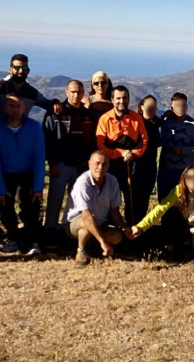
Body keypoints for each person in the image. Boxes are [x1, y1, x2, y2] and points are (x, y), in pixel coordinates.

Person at [0, 93, 45, 254]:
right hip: (6, 174)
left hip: (28, 173)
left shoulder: (34, 127)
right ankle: (14, 239)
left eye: (18, 106)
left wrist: (38, 186)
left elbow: (39, 157)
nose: (15, 109)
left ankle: (32, 242)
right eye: (11, 106)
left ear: (24, 108)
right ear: (5, 108)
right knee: (6, 209)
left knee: (31, 208)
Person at [42, 80, 97, 244]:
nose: (75, 95)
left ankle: (69, 233)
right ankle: (49, 232)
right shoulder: (55, 113)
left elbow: (91, 141)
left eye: (79, 92)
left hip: (80, 166)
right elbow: (48, 139)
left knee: (76, 202)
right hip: (60, 164)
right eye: (72, 91)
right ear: (66, 92)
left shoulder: (87, 115)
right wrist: (52, 163)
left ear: (83, 93)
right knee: (54, 199)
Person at [130, 165, 194, 258]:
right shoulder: (177, 191)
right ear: (184, 178)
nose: (193, 180)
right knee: (169, 212)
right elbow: (160, 209)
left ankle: (185, 244)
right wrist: (140, 226)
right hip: (181, 223)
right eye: (189, 177)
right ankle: (173, 243)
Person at [62, 150, 131, 265]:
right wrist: (103, 242)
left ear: (108, 166)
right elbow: (86, 214)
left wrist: (125, 228)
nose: (100, 167)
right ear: (89, 164)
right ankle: (81, 250)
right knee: (87, 224)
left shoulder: (112, 181)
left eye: (104, 164)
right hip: (75, 223)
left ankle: (94, 246)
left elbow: (114, 211)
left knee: (117, 236)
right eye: (97, 163)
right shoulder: (82, 182)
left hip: (100, 223)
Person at [96, 85, 148, 224]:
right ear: (112, 100)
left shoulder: (136, 118)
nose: (121, 101)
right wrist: (120, 153)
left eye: (124, 98)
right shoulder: (104, 119)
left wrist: (132, 154)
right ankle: (112, 229)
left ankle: (132, 229)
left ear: (129, 99)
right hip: (111, 166)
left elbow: (143, 141)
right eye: (118, 98)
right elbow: (101, 144)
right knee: (111, 199)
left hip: (132, 164)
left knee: (132, 199)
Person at [158, 93, 194, 200]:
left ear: (187, 106)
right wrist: (162, 117)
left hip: (184, 172)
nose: (181, 108)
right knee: (164, 201)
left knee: (183, 202)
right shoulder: (165, 123)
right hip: (165, 171)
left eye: (183, 105)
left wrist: (183, 150)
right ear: (172, 108)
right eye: (177, 105)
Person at [0, 53, 60, 120]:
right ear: (10, 70)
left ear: (28, 71)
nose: (21, 71)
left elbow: (48, 104)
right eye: (17, 68)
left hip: (22, 131)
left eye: (24, 68)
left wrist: (55, 102)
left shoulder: (32, 93)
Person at [133, 95, 161, 218]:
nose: (152, 109)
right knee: (133, 199)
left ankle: (141, 227)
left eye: (154, 107)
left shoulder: (157, 123)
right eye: (149, 106)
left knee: (145, 198)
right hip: (136, 164)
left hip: (150, 165)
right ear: (142, 106)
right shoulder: (135, 122)